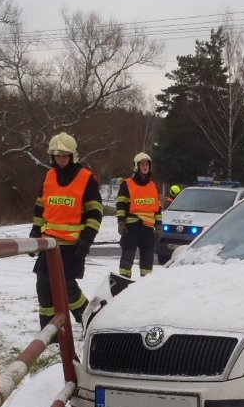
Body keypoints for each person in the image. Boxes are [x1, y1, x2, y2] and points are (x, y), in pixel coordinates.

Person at [28, 132, 103, 330]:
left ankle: (90, 321)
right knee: (44, 287)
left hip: (73, 246)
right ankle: (49, 332)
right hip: (49, 244)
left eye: (64, 155)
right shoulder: (49, 176)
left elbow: (95, 213)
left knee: (67, 289)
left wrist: (86, 241)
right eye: (57, 155)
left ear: (72, 156)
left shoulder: (86, 178)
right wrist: (35, 233)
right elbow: (40, 208)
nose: (61, 159)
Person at [116, 152, 163, 279]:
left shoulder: (153, 186)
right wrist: (121, 222)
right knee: (127, 256)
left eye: (147, 164)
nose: (145, 166)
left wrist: (158, 226)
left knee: (148, 258)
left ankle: (145, 285)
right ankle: (124, 282)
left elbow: (157, 209)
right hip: (131, 227)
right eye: (142, 164)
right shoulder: (127, 184)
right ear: (136, 166)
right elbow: (120, 205)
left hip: (147, 229)